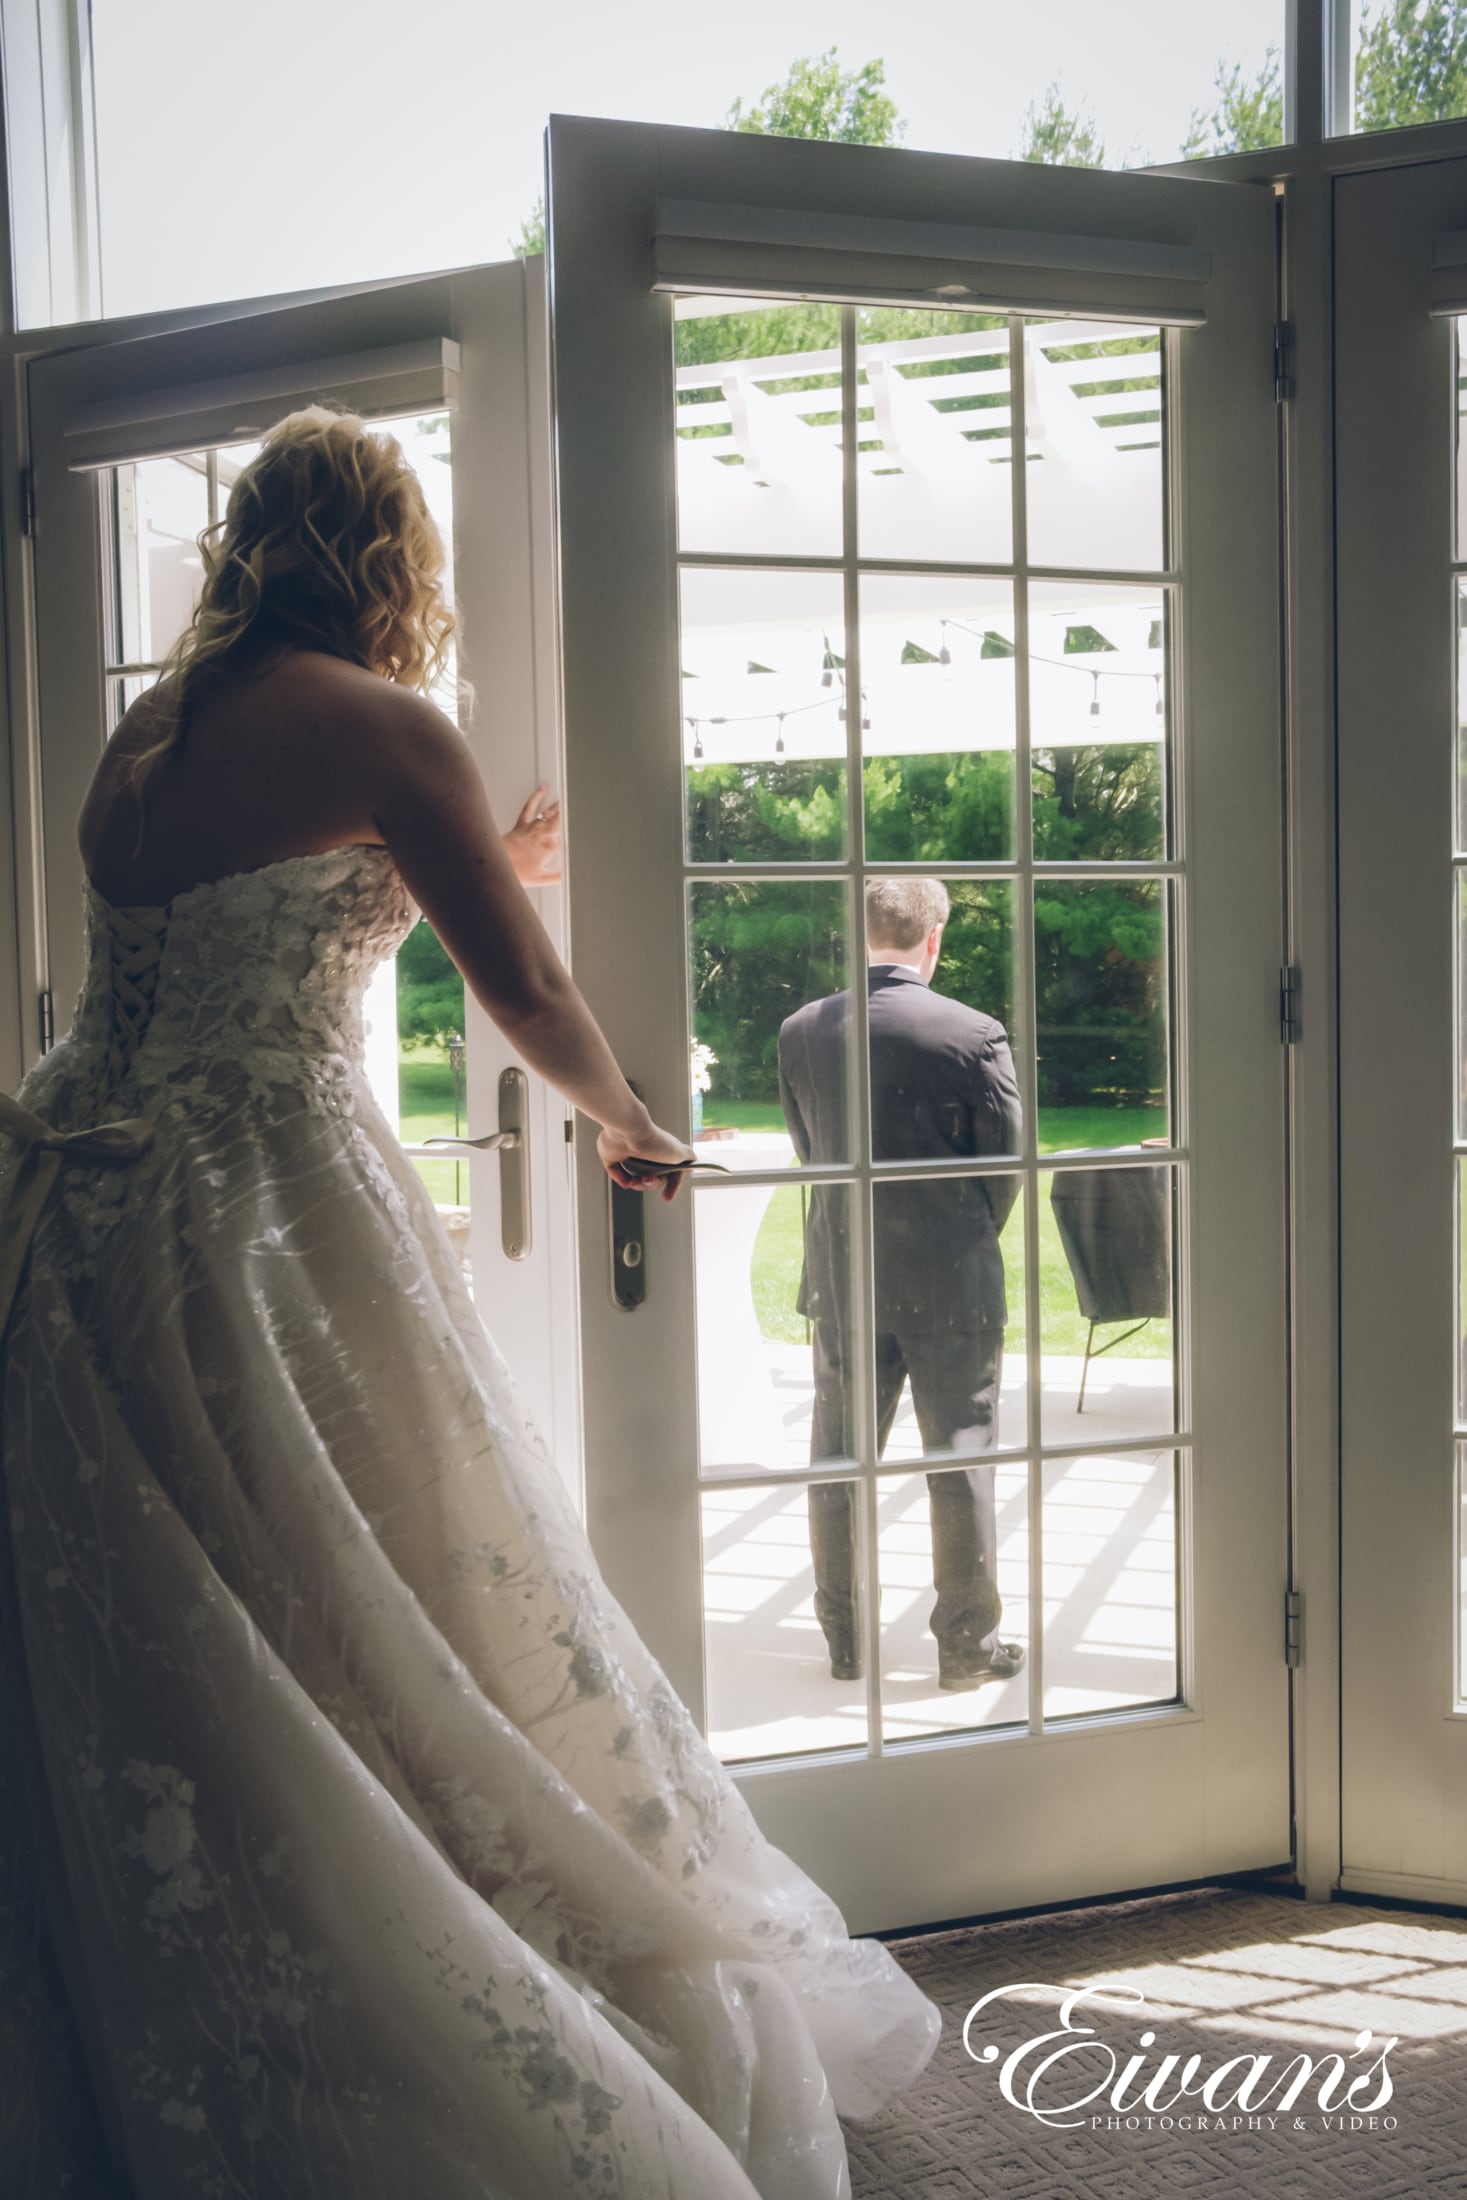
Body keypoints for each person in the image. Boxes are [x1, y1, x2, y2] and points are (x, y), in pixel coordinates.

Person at [0, 407, 939, 2199]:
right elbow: (521, 993)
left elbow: (242, 918)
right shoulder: (381, 726)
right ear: (381, 546)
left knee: (189, 1625)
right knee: (397, 1591)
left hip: (88, 1225)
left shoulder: (145, 733)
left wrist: (457, 853)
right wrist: (634, 1127)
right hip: (266, 1209)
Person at [777, 878, 1026, 1693]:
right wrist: (965, 1232)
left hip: (844, 1276)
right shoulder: (972, 1032)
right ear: (935, 936)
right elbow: (1004, 1165)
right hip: (951, 1274)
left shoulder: (801, 1030)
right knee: (959, 1456)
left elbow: (810, 1147)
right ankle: (965, 1648)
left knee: (839, 1458)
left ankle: (844, 1642)